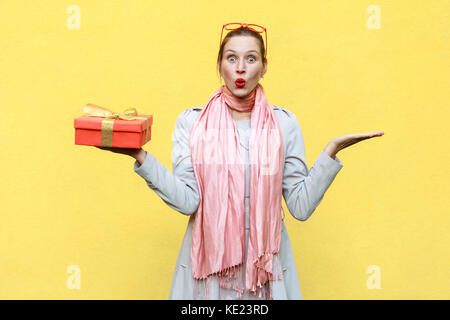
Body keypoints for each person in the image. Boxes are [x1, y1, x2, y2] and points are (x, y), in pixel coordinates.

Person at [96, 23, 384, 300]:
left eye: (251, 58)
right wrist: (141, 158)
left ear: (264, 67)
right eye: (232, 58)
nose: (241, 67)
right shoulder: (192, 123)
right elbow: (188, 201)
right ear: (219, 66)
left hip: (266, 271)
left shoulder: (284, 124)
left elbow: (300, 206)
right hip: (208, 273)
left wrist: (330, 153)